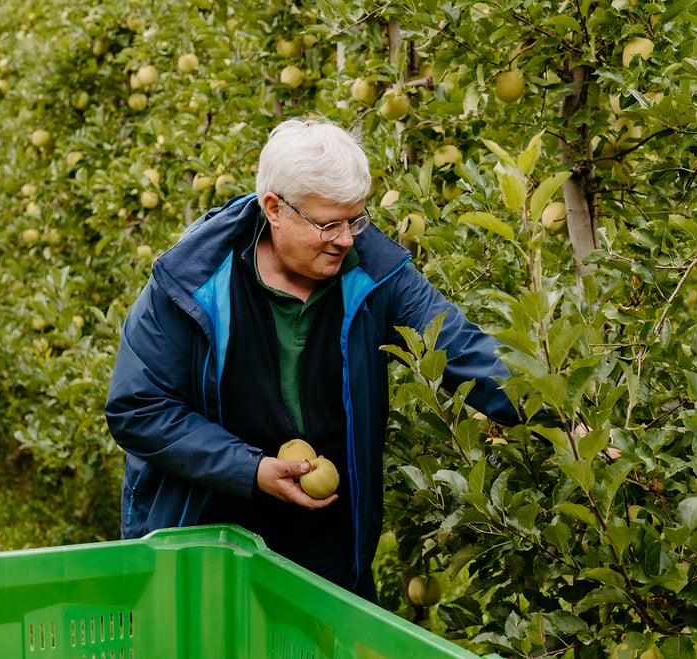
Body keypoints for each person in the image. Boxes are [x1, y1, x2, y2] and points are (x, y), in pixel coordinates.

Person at [105, 116, 523, 601]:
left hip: (326, 530)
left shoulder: (376, 274)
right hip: (205, 525)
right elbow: (138, 408)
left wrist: (563, 414)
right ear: (273, 208)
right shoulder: (189, 283)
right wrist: (251, 469)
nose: (347, 239)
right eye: (329, 224)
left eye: (356, 220)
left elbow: (461, 347)